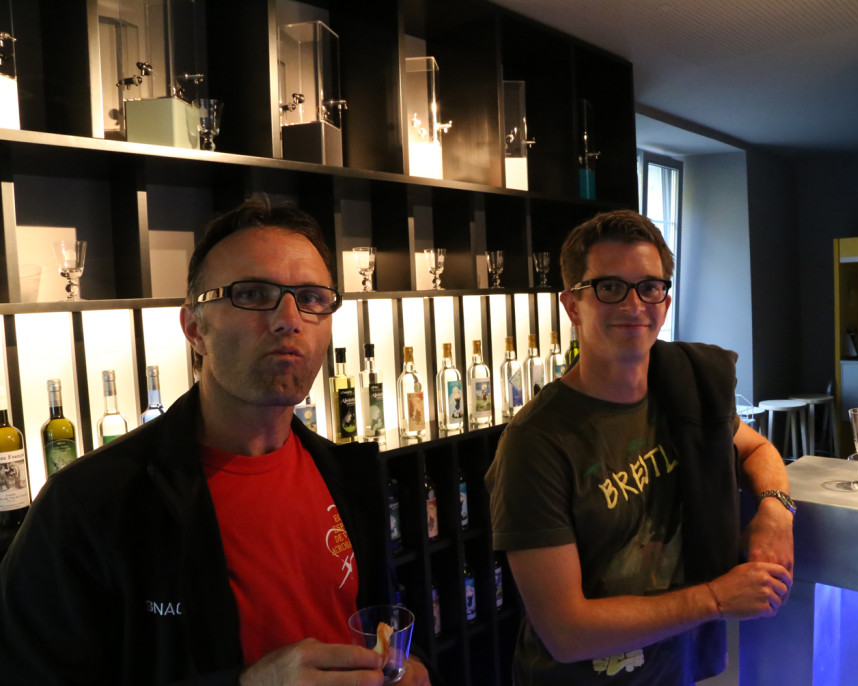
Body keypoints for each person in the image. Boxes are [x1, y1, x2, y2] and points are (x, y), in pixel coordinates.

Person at [0, 198, 431, 686]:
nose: (289, 318)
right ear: (194, 329)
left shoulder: (345, 475)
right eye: (253, 294)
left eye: (312, 298)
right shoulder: (87, 507)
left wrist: (406, 668)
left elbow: (376, 625)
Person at [485, 209, 795, 685]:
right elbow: (566, 632)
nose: (634, 304)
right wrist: (715, 598)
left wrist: (775, 511)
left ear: (665, 303)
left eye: (649, 287)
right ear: (572, 305)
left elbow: (756, 450)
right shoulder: (536, 443)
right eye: (609, 287)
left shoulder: (684, 389)